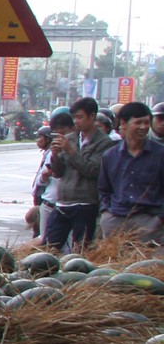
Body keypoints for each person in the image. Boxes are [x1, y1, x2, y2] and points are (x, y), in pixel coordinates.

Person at [42, 100, 111, 250]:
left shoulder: (104, 143)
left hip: (85, 204)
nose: (76, 121)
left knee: (81, 249)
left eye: (80, 117)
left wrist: (71, 151)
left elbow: (92, 170)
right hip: (62, 202)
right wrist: (54, 156)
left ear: (92, 116)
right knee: (49, 246)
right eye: (74, 118)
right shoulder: (70, 138)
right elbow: (58, 173)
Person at [99, 101, 164, 244]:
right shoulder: (110, 156)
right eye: (138, 123)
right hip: (116, 221)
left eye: (147, 123)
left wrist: (159, 219)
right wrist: (106, 214)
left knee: (148, 265)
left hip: (149, 223)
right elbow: (104, 190)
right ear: (123, 123)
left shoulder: (160, 154)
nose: (143, 127)